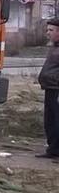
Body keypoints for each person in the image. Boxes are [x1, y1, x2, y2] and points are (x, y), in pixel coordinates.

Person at [37, 18, 59, 160]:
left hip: (57, 90)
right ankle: (53, 150)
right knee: (49, 121)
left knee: (57, 121)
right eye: (47, 30)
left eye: (51, 30)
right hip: (49, 88)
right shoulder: (54, 47)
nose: (48, 33)